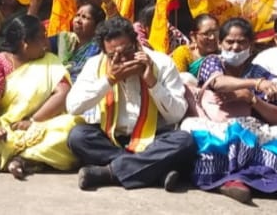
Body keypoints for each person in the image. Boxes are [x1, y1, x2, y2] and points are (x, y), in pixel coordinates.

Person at [180, 18, 277, 204]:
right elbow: (219, 83)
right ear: (220, 44)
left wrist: (251, 98)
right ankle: (231, 179)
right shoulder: (212, 62)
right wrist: (255, 84)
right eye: (229, 42)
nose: (235, 47)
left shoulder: (261, 72)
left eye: (242, 42)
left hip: (248, 131)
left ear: (251, 46)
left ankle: (242, 180)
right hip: (214, 126)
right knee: (215, 132)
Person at [66, 16, 193, 191]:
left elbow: (176, 115)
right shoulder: (95, 65)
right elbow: (73, 106)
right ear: (104, 53)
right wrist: (109, 80)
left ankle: (109, 173)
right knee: (77, 137)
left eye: (128, 52)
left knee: (184, 141)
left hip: (153, 139)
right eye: (114, 56)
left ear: (136, 42)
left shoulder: (162, 63)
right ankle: (154, 171)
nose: (124, 60)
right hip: (112, 139)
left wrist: (152, 82)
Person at [0, 15, 82, 178]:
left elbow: (63, 93)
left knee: (71, 127)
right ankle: (30, 159)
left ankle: (21, 160)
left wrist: (33, 121)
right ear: (25, 43)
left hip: (44, 124)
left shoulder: (50, 60)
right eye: (42, 38)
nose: (47, 43)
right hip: (8, 128)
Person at [58, 3, 105, 81]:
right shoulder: (65, 39)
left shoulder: (98, 47)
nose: (78, 20)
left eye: (84, 17)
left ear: (97, 25)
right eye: (77, 15)